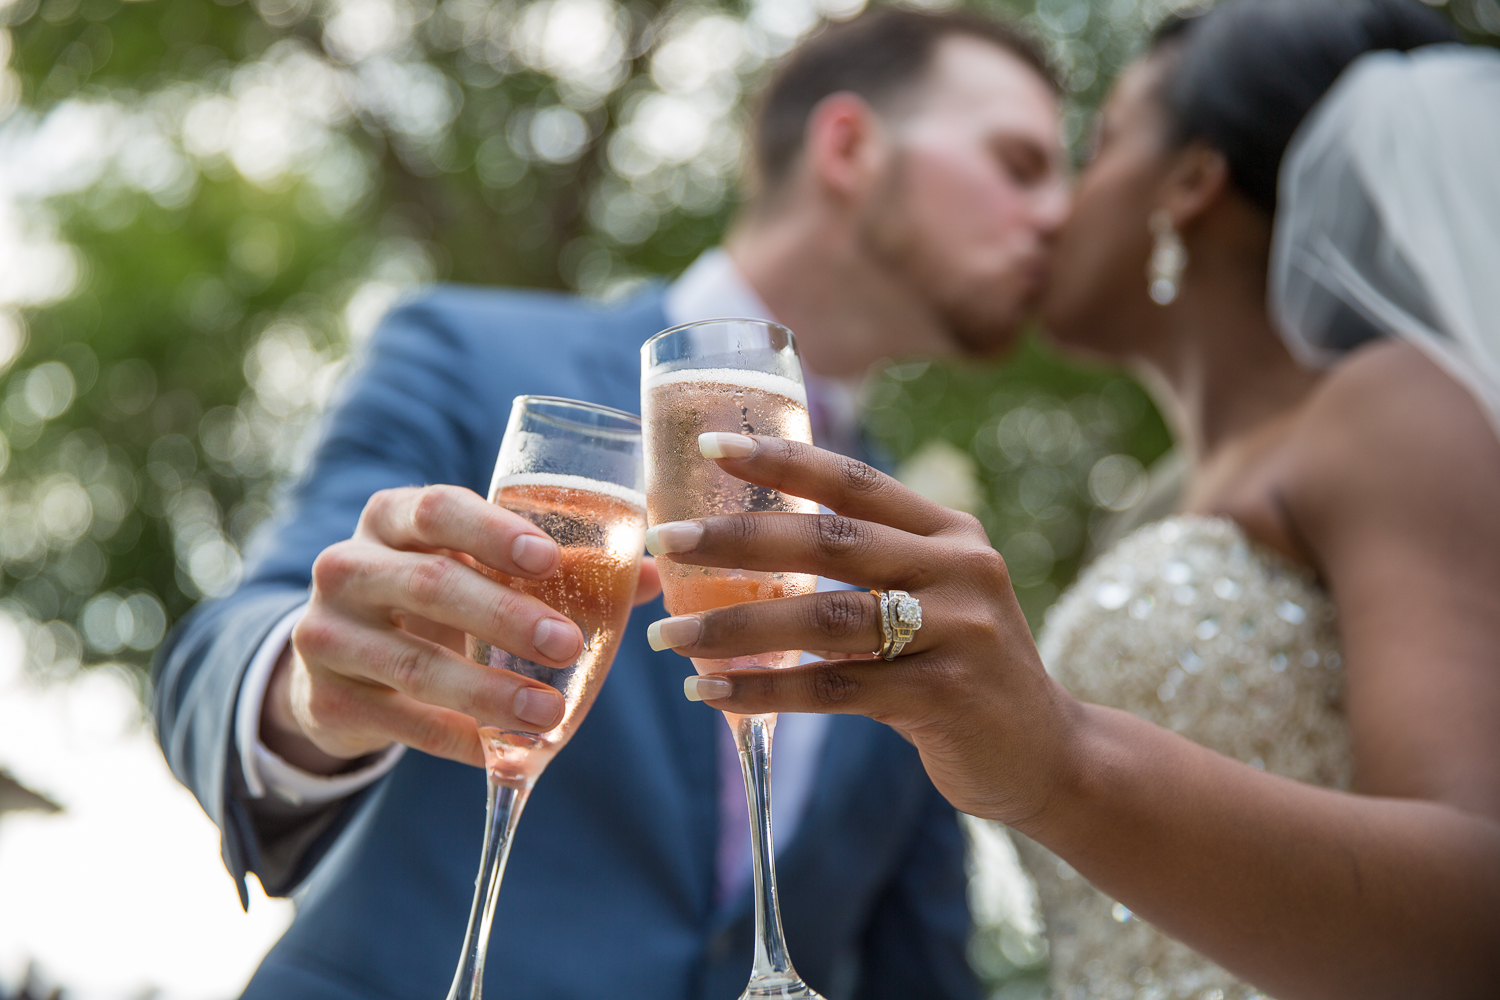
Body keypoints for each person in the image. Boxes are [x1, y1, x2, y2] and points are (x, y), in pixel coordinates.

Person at [151, 8, 1070, 999]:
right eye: (1019, 164)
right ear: (848, 146)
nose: (1059, 214)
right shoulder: (469, 356)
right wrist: (304, 687)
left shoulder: (915, 558)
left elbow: (921, 966)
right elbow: (224, 647)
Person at [643, 2, 1500, 997]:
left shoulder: (1392, 405)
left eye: (1095, 148)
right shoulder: (1165, 503)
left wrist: (1064, 758)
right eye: (1025, 166)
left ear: (1189, 182)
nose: (1055, 210)